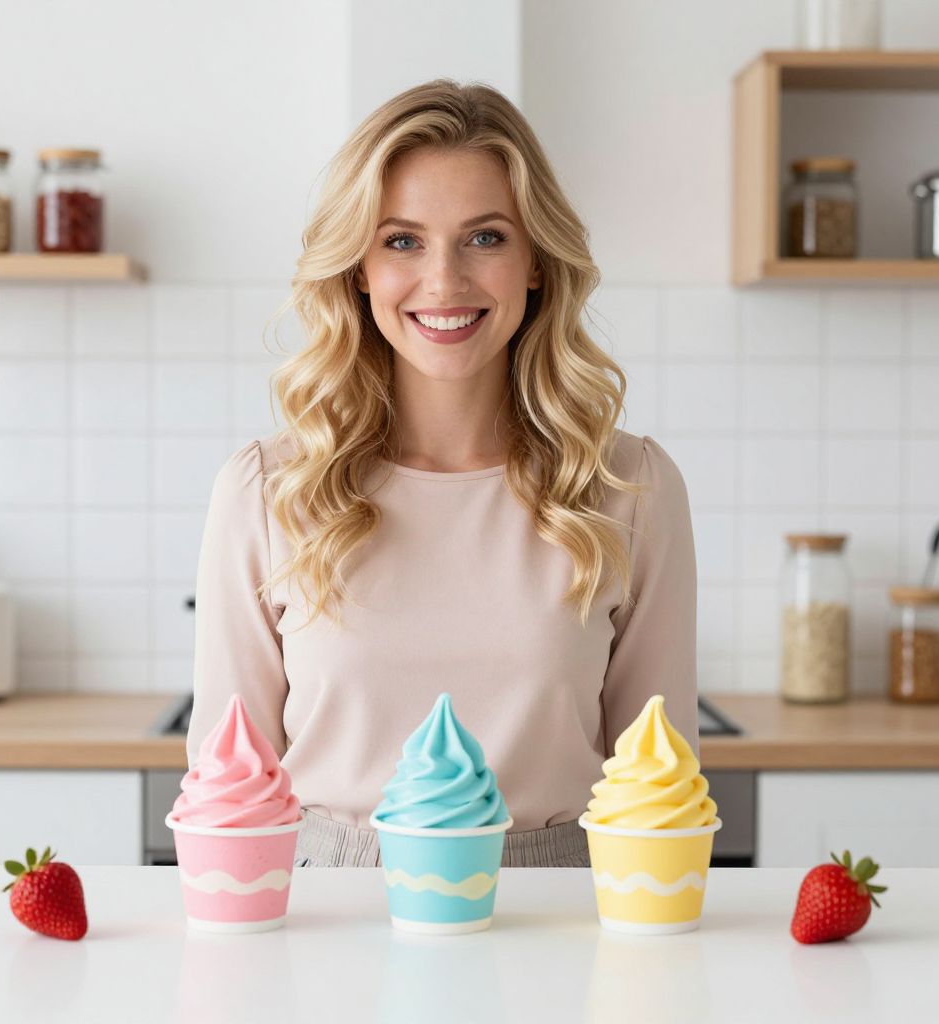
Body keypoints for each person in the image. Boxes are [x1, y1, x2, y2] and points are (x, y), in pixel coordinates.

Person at [185, 79, 698, 868]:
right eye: (402, 241)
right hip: (330, 910)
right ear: (358, 268)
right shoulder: (266, 490)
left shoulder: (630, 488)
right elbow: (225, 797)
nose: (445, 280)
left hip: (558, 910)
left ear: (535, 262)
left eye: (485, 237)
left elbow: (662, 797)